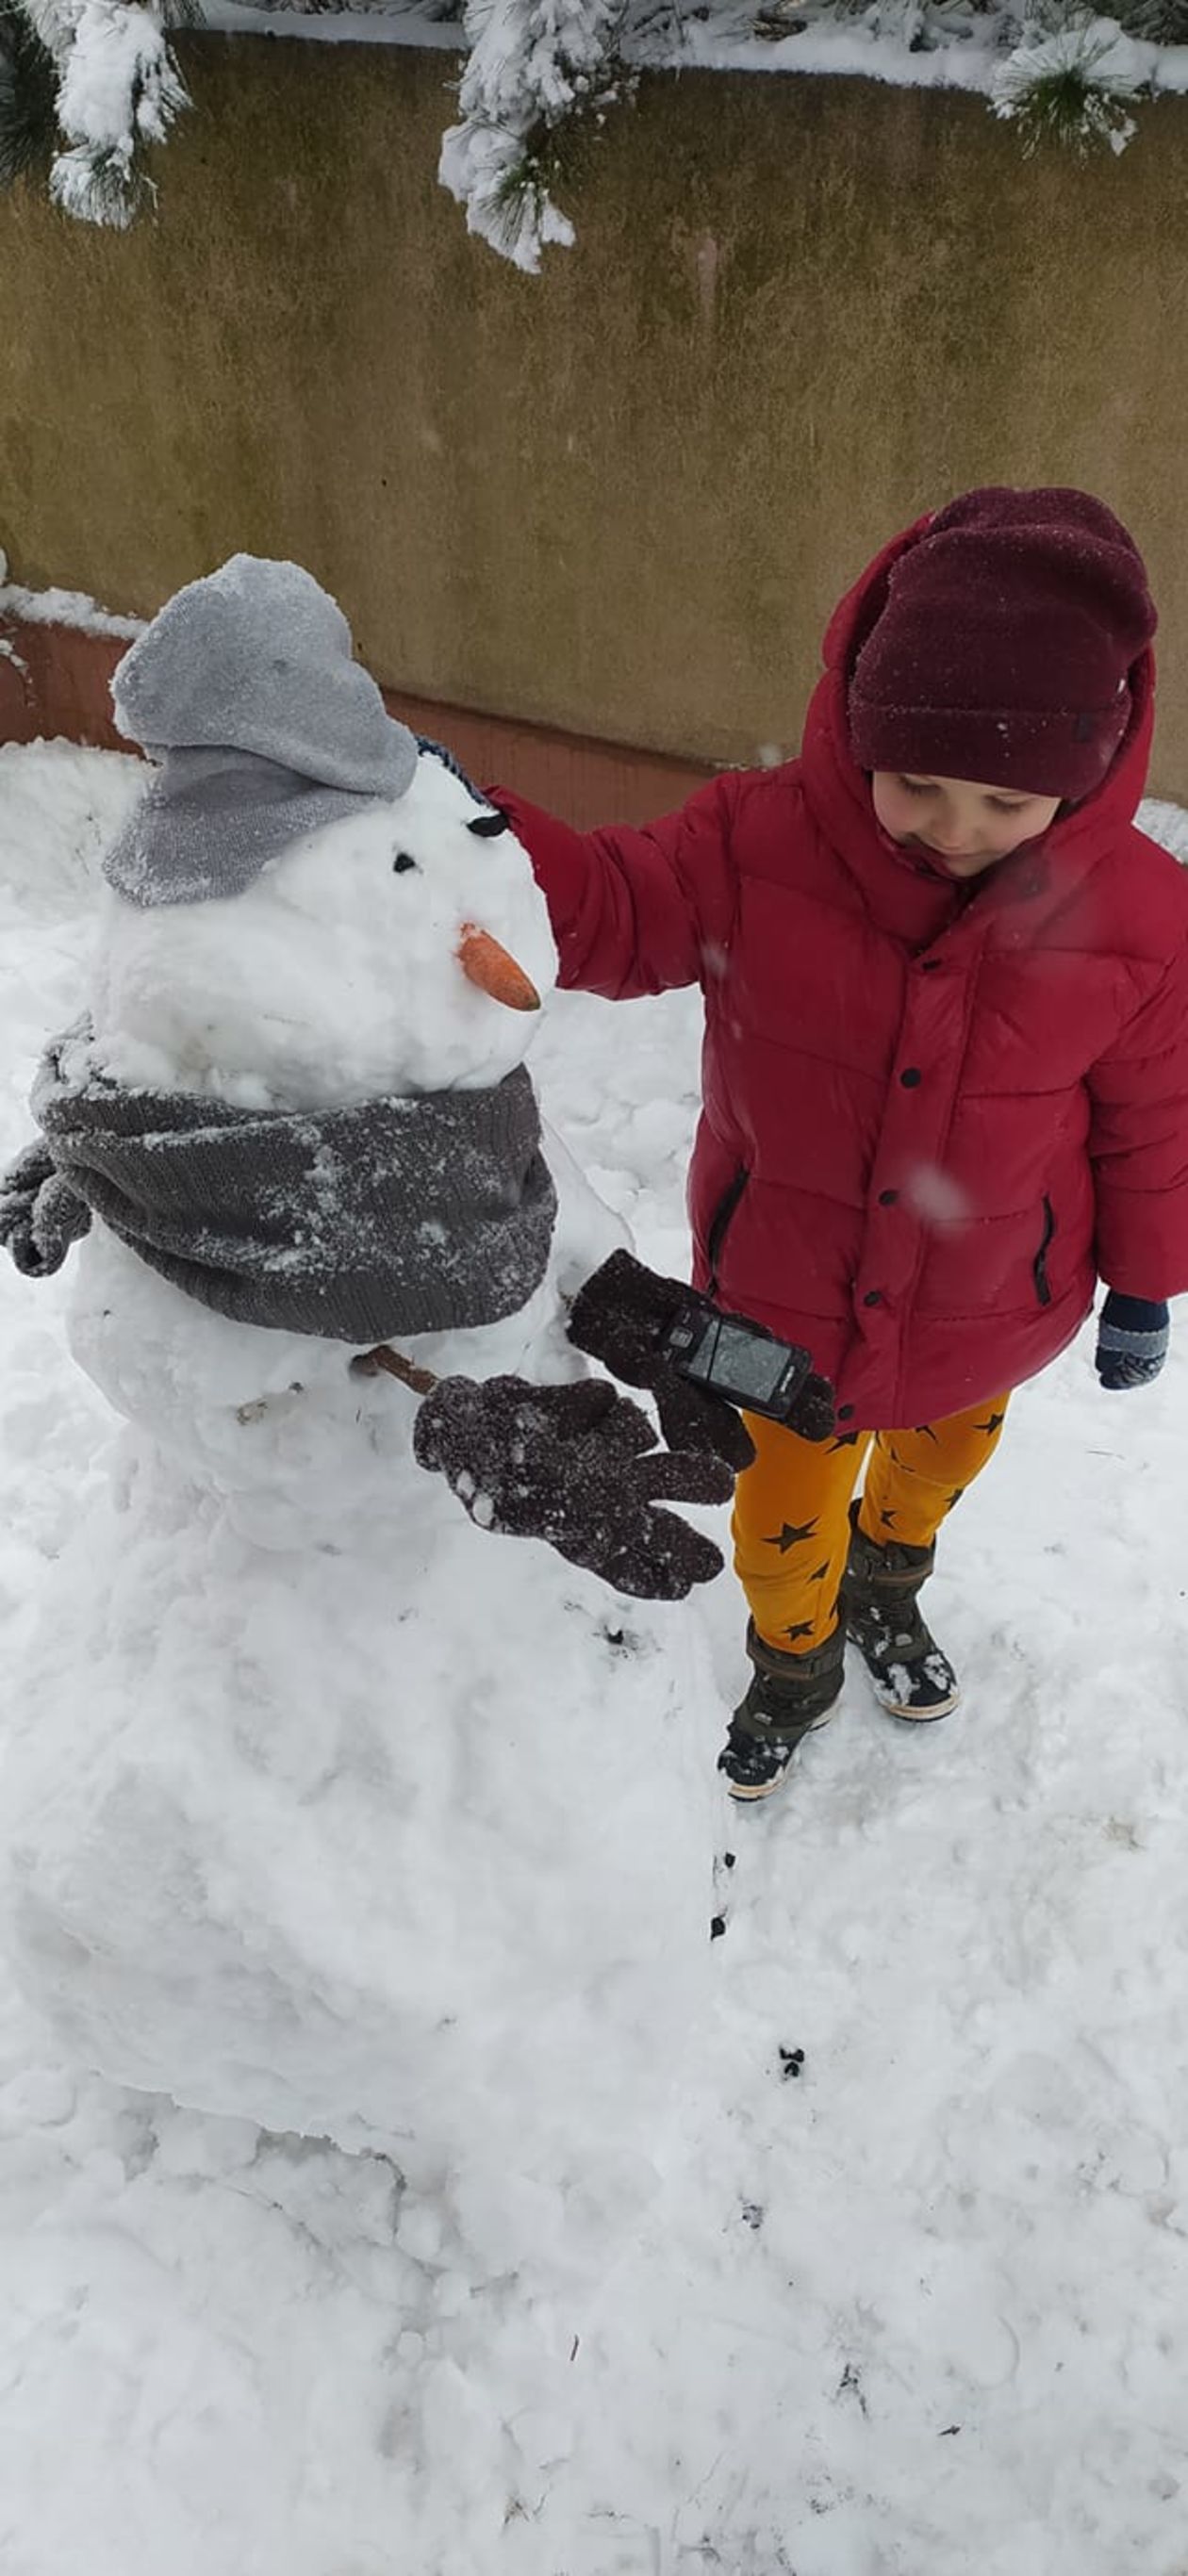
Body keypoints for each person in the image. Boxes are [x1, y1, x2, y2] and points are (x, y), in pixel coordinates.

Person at [490, 486, 1188, 1799]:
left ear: (1088, 774)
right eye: (917, 781)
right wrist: (468, 845)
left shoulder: (1143, 918)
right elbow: (608, 908)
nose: (954, 827)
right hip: (781, 1304)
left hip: (992, 1306)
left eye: (1005, 801)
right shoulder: (757, 844)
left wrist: (1148, 1276)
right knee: (779, 1515)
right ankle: (793, 1654)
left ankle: (892, 1576)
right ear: (861, 727)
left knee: (933, 1470)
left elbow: (1158, 1112)